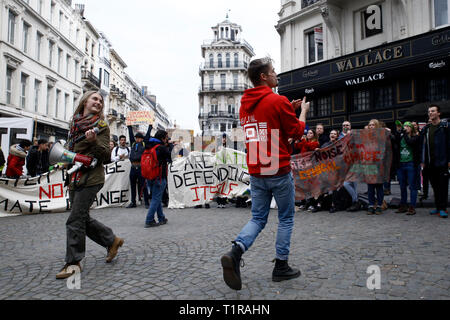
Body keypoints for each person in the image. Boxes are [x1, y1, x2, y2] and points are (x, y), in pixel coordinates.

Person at [220, 57, 309, 290]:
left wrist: (288, 107)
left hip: (258, 169)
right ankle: (281, 266)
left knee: (258, 218)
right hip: (278, 169)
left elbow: (265, 122)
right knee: (286, 218)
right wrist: (302, 113)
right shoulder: (277, 100)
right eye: (273, 71)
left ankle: (236, 250)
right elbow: (296, 131)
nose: (276, 74)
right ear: (264, 77)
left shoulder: (244, 104)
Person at [56, 91, 124, 279]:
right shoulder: (75, 124)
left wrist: (94, 142)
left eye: (101, 101)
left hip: (91, 178)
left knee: (75, 220)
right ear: (85, 100)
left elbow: (105, 156)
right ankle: (112, 240)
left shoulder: (101, 126)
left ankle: (73, 263)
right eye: (95, 98)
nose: (98, 102)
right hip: (75, 176)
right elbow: (71, 149)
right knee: (82, 218)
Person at [420, 105, 449, 218]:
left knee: (443, 186)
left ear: (438, 113)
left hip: (442, 161)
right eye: (429, 112)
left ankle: (443, 208)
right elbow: (420, 144)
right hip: (429, 163)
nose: (430, 113)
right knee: (435, 186)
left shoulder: (445, 126)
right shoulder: (426, 128)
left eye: (432, 111)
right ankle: (437, 207)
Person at [144, 130, 172, 227]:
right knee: (156, 198)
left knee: (157, 197)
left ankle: (161, 218)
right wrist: (169, 146)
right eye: (166, 137)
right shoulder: (162, 148)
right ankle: (149, 220)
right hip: (159, 176)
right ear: (163, 138)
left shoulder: (148, 145)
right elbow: (170, 157)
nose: (167, 139)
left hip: (149, 175)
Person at [393, 121, 420, 215]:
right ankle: (403, 205)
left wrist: (403, 133)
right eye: (404, 126)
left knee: (412, 186)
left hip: (411, 163)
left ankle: (412, 207)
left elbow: (410, 143)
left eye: (407, 126)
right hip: (401, 164)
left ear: (411, 128)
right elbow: (394, 141)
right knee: (402, 186)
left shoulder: (415, 136)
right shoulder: (401, 136)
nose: (405, 128)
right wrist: (397, 131)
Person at [126, 124, 152, 208]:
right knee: (133, 185)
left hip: (141, 167)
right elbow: (130, 136)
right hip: (133, 167)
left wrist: (150, 127)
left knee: (143, 185)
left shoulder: (144, 144)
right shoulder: (133, 144)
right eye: (136, 138)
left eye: (139, 138)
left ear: (142, 139)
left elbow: (147, 135)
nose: (137, 139)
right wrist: (129, 127)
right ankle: (133, 202)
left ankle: (147, 202)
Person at [366, 119, 385, 215]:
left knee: (379, 187)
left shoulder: (381, 137)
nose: (371, 126)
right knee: (370, 187)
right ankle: (371, 205)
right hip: (369, 164)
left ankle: (379, 205)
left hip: (379, 164)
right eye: (370, 125)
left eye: (373, 125)